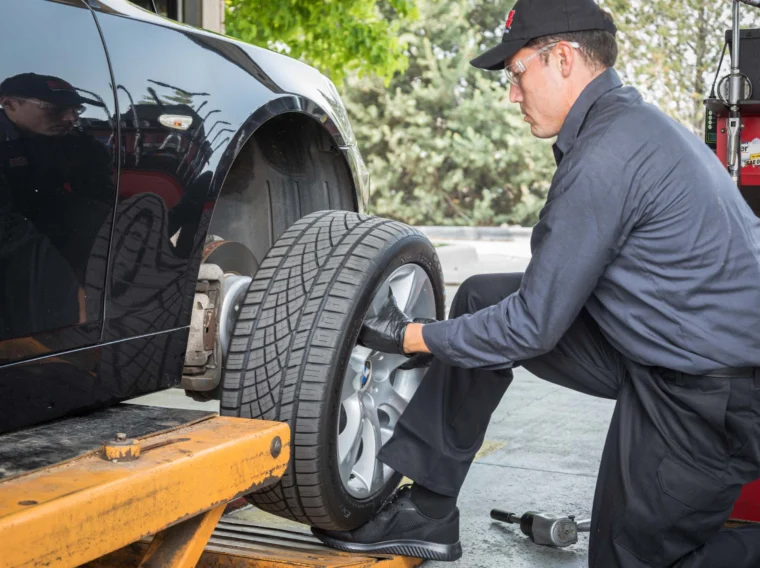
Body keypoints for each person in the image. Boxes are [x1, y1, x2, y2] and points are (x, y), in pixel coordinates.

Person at [311, 0, 760, 566]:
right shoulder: (624, 126)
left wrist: (411, 337)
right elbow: (535, 303)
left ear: (564, 59)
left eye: (517, 74)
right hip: (659, 349)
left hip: (714, 394)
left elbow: (531, 326)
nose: (512, 95)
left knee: (631, 560)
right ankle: (428, 509)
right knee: (480, 298)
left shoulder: (608, 154)